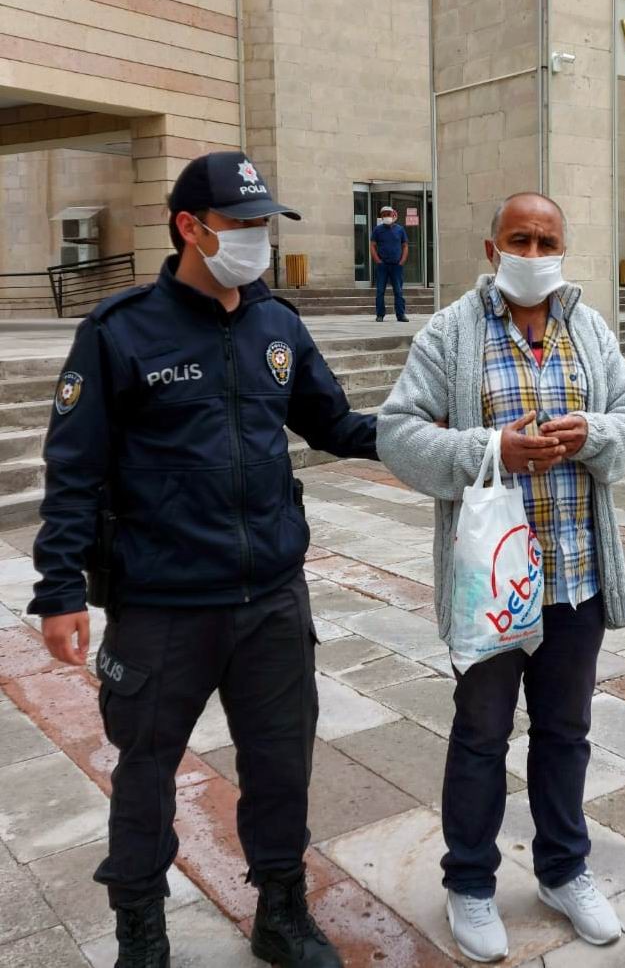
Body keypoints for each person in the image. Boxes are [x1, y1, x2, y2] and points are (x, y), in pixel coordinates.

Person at [30, 151, 378, 968]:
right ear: (189, 226)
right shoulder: (119, 332)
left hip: (271, 600)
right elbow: (73, 469)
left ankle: (282, 913)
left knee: (281, 766)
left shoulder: (277, 325)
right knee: (145, 772)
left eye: (265, 222)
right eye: (243, 224)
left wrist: (449, 440)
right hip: (162, 605)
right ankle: (140, 934)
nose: (258, 239)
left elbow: (334, 423)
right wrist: (57, 590)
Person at [376, 192, 625, 963]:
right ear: (492, 249)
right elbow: (397, 435)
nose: (535, 253)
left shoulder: (584, 328)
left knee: (565, 734)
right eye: (520, 240)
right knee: (479, 737)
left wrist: (592, 432)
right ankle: (469, 882)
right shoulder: (451, 331)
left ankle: (564, 870)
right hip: (490, 588)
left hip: (575, 579)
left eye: (548, 240)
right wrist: (487, 449)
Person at [370, 204, 410, 322]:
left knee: (398, 291)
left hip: (396, 265)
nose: (387, 216)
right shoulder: (377, 230)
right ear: (381, 217)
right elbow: (372, 245)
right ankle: (380, 315)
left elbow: (405, 246)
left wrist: (402, 261)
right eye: (384, 215)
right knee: (380, 291)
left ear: (393, 215)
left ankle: (400, 315)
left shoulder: (400, 229)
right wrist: (377, 260)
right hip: (383, 265)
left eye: (389, 214)